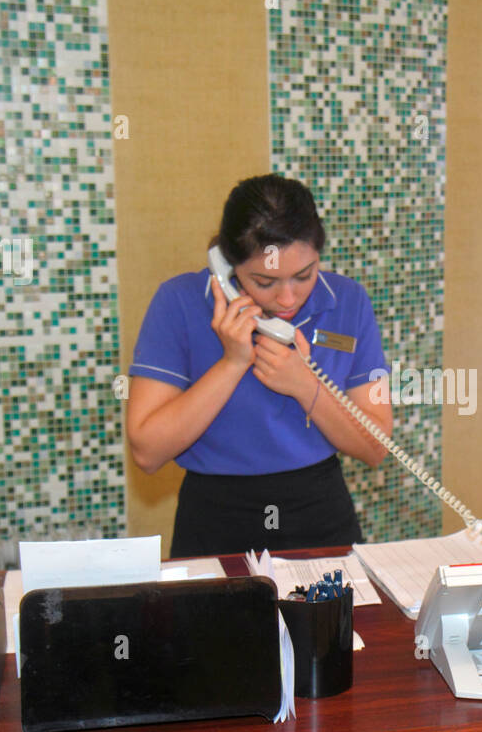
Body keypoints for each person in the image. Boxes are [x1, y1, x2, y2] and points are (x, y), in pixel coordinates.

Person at [126, 174, 392, 557]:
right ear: (227, 266)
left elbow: (376, 447)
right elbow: (147, 452)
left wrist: (305, 386)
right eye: (264, 281)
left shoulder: (349, 301)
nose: (287, 298)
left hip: (318, 511)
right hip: (215, 515)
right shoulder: (177, 302)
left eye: (304, 276)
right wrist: (232, 363)